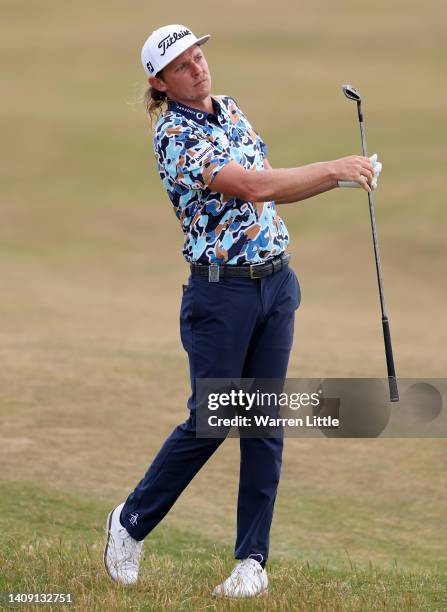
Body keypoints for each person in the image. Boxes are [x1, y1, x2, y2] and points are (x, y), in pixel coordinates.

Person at [103, 24, 382, 599]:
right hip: (220, 295)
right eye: (181, 66)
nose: (198, 69)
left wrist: (340, 179)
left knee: (263, 423)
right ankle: (130, 522)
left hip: (275, 284)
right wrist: (335, 170)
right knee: (214, 419)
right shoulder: (174, 135)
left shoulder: (229, 109)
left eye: (198, 57)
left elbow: (271, 188)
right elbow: (250, 186)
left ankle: (251, 561)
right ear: (159, 82)